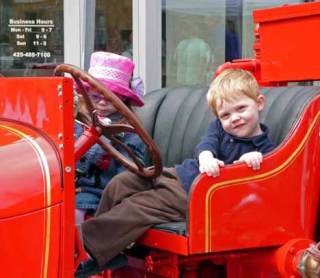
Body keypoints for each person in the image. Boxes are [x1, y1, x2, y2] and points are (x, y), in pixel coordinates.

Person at [78, 68, 275, 272]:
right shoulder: (219, 128)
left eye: (241, 109)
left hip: (199, 197)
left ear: (259, 103)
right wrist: (206, 156)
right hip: (181, 174)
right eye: (226, 115)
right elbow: (206, 144)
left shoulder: (263, 151)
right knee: (123, 182)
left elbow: (259, 183)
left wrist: (249, 163)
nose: (234, 118)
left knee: (139, 205)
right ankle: (106, 249)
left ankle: (84, 249)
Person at [74, 51, 146, 224]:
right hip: (74, 188)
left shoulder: (129, 131)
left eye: (110, 98)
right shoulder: (77, 122)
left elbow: (129, 175)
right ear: (86, 95)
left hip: (102, 191)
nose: (102, 102)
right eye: (96, 96)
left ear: (123, 100)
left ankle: (84, 250)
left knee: (74, 211)